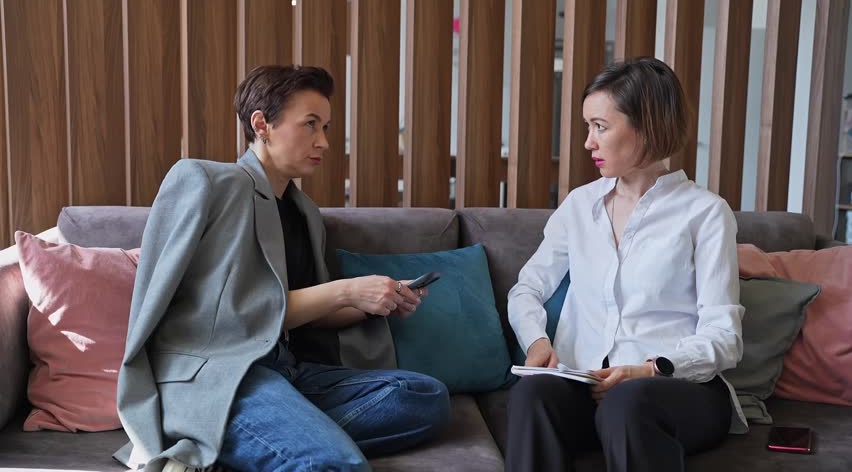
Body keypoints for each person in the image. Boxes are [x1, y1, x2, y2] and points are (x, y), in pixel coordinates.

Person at [114, 65, 450, 472]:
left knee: (423, 396)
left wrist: (377, 300)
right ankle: (271, 440)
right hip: (224, 375)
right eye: (310, 124)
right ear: (262, 125)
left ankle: (251, 443)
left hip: (286, 370)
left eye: (325, 127)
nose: (324, 141)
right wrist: (346, 290)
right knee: (333, 465)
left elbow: (306, 314)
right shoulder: (207, 182)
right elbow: (229, 317)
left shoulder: (305, 212)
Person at [505, 57, 747, 472]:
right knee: (532, 393)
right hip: (588, 388)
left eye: (600, 126)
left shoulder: (705, 213)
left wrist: (650, 371)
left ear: (646, 127)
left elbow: (725, 336)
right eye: (588, 127)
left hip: (675, 391)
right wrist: (537, 342)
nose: (588, 142)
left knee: (627, 402)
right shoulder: (579, 206)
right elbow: (527, 288)